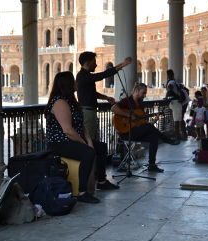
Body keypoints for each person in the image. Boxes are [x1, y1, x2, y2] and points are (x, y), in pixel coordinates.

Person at [76, 52, 131, 190]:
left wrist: (106, 97)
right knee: (92, 146)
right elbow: (101, 76)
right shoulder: (83, 75)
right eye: (94, 62)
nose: (96, 64)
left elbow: (91, 93)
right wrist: (121, 65)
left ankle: (97, 178)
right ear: (87, 62)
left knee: (95, 145)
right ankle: (96, 180)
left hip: (90, 112)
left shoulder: (85, 77)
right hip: (87, 113)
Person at [44, 71, 100, 204]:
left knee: (101, 147)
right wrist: (83, 143)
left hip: (71, 140)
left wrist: (89, 141)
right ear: (68, 84)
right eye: (73, 81)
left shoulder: (70, 101)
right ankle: (82, 192)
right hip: (59, 143)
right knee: (88, 153)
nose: (76, 83)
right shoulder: (60, 102)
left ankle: (101, 181)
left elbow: (81, 126)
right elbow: (68, 130)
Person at [111, 83, 179, 173]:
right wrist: (128, 115)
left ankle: (152, 165)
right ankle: (167, 139)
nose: (144, 95)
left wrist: (155, 120)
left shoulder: (140, 104)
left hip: (136, 131)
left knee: (153, 137)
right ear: (137, 91)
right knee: (149, 128)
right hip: (125, 132)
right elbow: (113, 108)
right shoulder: (127, 101)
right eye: (143, 93)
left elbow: (142, 123)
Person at [165, 69, 185, 140]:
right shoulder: (174, 82)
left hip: (175, 102)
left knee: (176, 120)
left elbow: (170, 89)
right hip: (177, 102)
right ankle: (179, 135)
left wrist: (166, 96)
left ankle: (177, 136)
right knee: (178, 119)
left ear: (168, 75)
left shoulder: (171, 82)